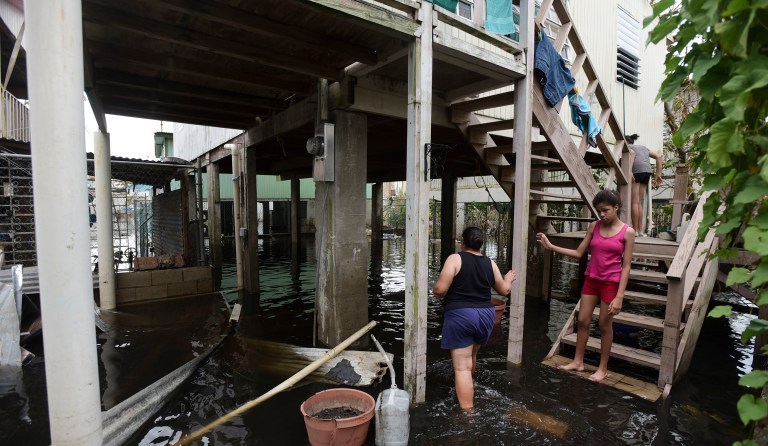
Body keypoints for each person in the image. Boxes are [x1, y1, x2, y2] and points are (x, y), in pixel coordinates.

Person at [536, 190, 635, 382]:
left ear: (616, 208)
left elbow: (627, 265)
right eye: (599, 211)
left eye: (606, 210)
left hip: (611, 283)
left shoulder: (627, 232)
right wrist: (551, 247)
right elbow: (579, 253)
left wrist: (620, 296)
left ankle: (603, 369)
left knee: (604, 325)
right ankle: (578, 362)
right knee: (582, 320)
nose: (602, 215)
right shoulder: (594, 227)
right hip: (592, 279)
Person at [432, 227, 516, 411]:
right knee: (472, 355)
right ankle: (470, 385)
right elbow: (504, 290)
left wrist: (435, 291)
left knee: (461, 367)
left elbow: (440, 290)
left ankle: (468, 415)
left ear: (462, 241)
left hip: (462, 315)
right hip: (486, 315)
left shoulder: (455, 258)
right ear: (480, 243)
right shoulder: (490, 263)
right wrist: (508, 278)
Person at [626, 133, 663, 236]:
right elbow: (658, 156)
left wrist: (629, 171)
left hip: (637, 171)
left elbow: (632, 154)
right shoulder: (643, 147)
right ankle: (640, 231)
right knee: (639, 203)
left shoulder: (627, 146)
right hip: (647, 172)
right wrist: (658, 174)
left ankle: (634, 230)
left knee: (634, 202)